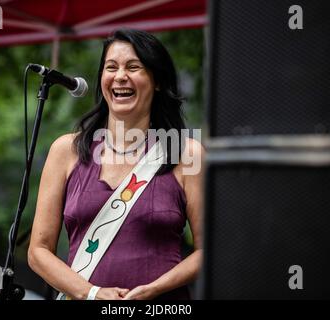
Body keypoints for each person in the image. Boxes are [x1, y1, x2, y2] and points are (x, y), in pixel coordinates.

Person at [28, 28, 204, 300]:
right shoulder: (66, 150)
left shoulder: (187, 153)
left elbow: (209, 249)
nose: (120, 76)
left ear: (156, 80)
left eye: (134, 67)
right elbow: (38, 251)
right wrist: (91, 292)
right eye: (111, 67)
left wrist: (155, 289)